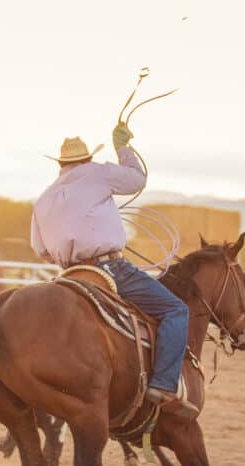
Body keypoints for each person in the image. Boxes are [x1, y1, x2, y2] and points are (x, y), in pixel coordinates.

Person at [31, 124, 191, 414]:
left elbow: (40, 249)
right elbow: (136, 180)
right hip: (109, 269)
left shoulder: (44, 198)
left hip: (68, 275)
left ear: (60, 164)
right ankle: (164, 384)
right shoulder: (97, 173)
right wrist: (122, 148)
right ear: (87, 159)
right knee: (175, 310)